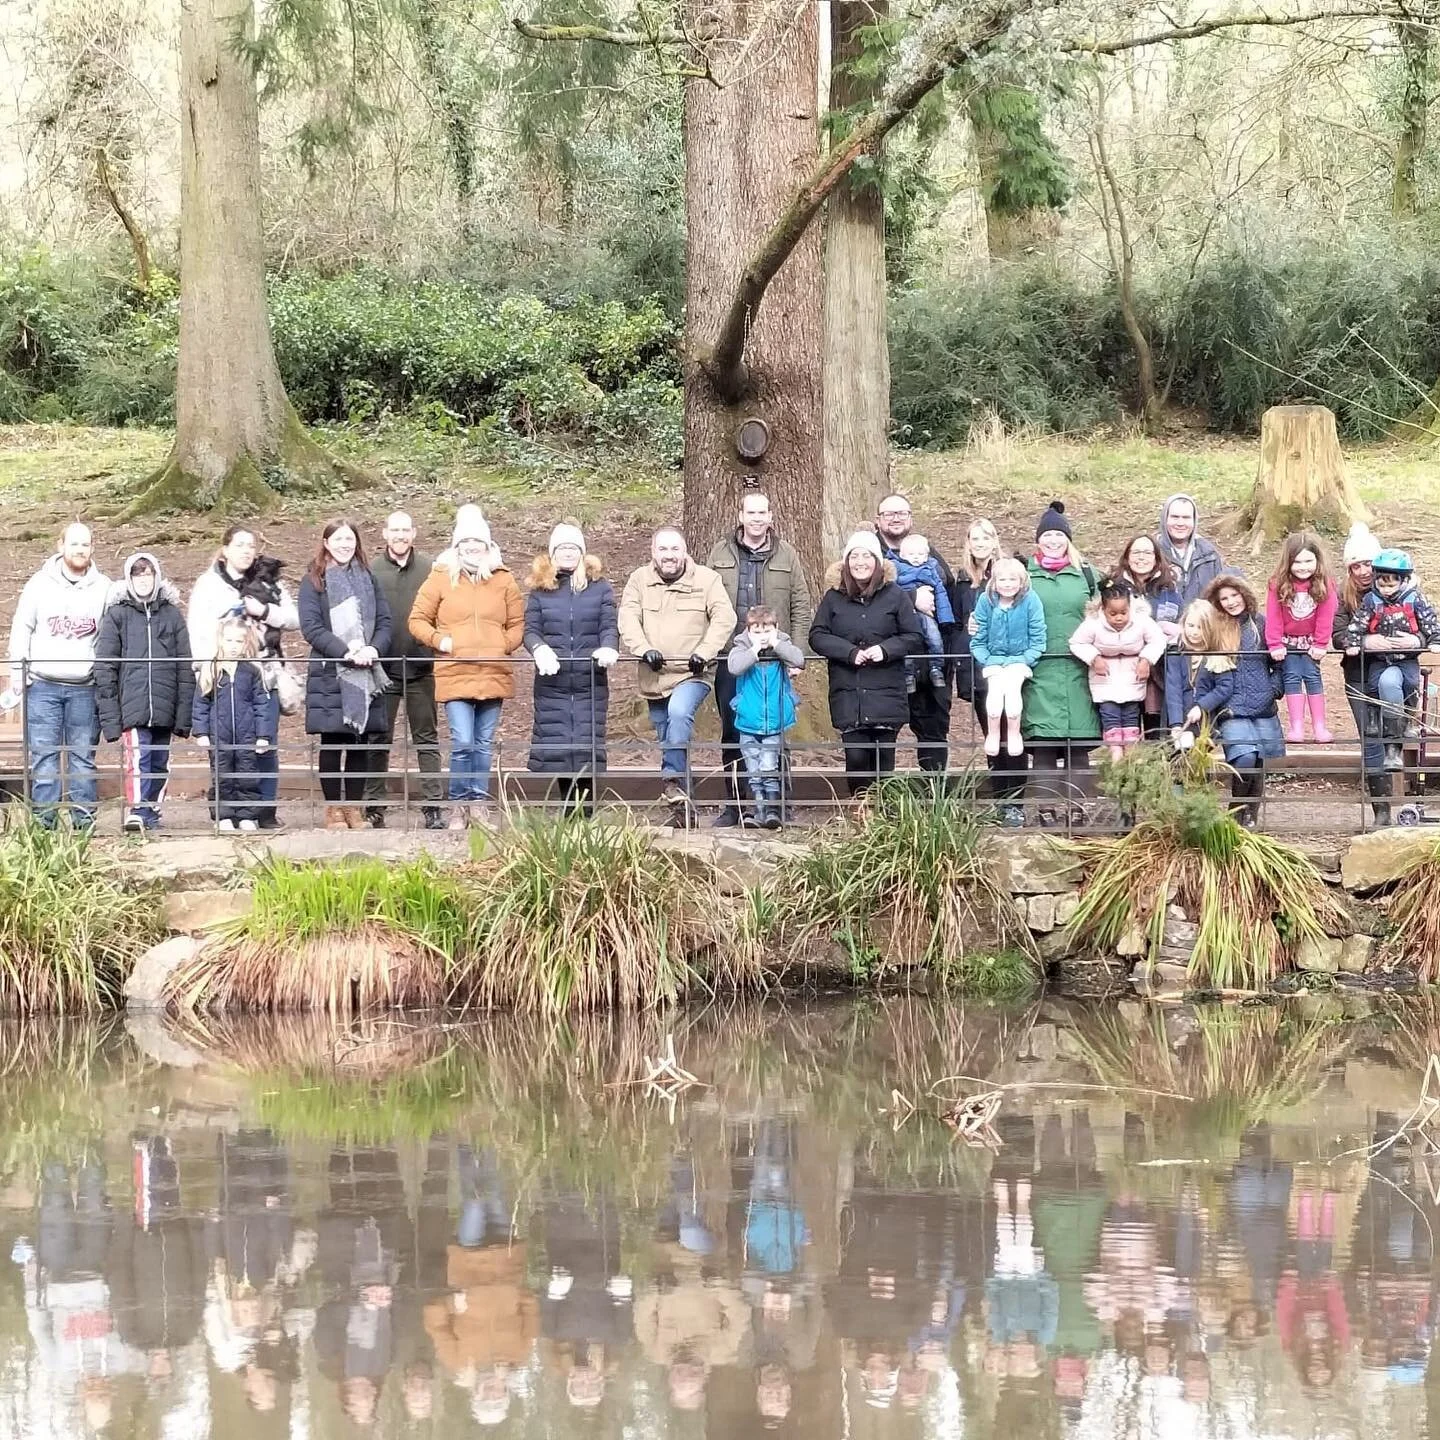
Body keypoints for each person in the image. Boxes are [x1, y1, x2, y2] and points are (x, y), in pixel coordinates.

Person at [409, 505, 525, 829]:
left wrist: (502, 645)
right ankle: (459, 804)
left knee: (484, 742)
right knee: (462, 741)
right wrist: (440, 641)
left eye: (479, 542)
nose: (473, 548)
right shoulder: (440, 577)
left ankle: (478, 802)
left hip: (492, 670)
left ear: (488, 545)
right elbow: (417, 619)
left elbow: (517, 623)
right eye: (467, 542)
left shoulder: (504, 579)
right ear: (457, 545)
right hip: (455, 671)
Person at [706, 492, 813, 827]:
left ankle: (779, 805)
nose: (756, 518)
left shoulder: (787, 554)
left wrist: (796, 654)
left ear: (770, 516)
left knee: (776, 732)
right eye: (750, 512)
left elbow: (800, 604)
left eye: (761, 512)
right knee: (733, 730)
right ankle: (736, 804)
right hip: (733, 657)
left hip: (775, 661)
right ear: (741, 515)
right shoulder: (720, 553)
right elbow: (706, 602)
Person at [618, 528, 736, 828]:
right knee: (669, 739)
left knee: (679, 713)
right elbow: (628, 619)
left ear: (684, 551)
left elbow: (725, 618)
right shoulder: (638, 581)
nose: (669, 555)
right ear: (653, 552)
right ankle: (683, 810)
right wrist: (643, 649)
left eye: (674, 549)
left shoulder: (707, 580)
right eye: (663, 549)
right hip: (654, 676)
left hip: (692, 674)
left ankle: (670, 778)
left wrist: (706, 651)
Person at [187, 526, 299, 829]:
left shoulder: (269, 579)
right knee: (226, 750)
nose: (246, 551)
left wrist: (263, 611)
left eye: (251, 545)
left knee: (264, 740)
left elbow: (293, 618)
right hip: (223, 671)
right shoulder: (209, 584)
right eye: (239, 545)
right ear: (225, 549)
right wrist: (205, 668)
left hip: (263, 671)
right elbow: (197, 627)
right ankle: (227, 811)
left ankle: (263, 811)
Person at [3, 523, 110, 828]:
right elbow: (22, 628)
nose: (80, 550)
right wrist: (17, 673)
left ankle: (83, 825)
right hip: (43, 687)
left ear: (92, 549)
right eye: (74, 544)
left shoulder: (104, 587)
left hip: (84, 689)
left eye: (86, 544)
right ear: (61, 545)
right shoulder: (39, 584)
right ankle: (44, 828)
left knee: (82, 759)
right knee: (44, 759)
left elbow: (110, 635)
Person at [808, 532, 925, 796]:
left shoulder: (895, 595)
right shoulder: (833, 597)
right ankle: (862, 812)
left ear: (877, 561)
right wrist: (849, 652)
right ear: (846, 562)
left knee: (884, 764)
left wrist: (885, 650)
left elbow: (913, 635)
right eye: (854, 556)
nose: (860, 562)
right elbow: (817, 636)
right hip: (849, 693)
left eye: (866, 556)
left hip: (886, 692)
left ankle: (884, 816)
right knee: (857, 761)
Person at [298, 520, 393, 832]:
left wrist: (373, 649)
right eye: (337, 539)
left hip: (366, 670)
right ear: (326, 542)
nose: (344, 544)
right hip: (331, 672)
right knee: (332, 741)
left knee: (359, 742)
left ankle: (353, 808)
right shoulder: (314, 580)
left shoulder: (369, 578)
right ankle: (332, 810)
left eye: (349, 539)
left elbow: (384, 621)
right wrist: (345, 651)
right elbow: (311, 627)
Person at [95, 552, 195, 832]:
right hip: (133, 705)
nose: (143, 580)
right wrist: (111, 718)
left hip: (166, 704)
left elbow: (184, 666)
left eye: (148, 574)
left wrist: (183, 714)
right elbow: (106, 667)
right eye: (137, 574)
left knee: (160, 761)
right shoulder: (117, 615)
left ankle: (152, 809)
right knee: (139, 759)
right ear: (129, 578)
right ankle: (137, 809)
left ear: (156, 576)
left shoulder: (172, 615)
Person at [524, 521, 619, 816]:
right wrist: (539, 649)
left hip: (590, 680)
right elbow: (530, 629)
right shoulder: (540, 591)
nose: (568, 553)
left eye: (573, 548)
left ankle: (587, 809)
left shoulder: (599, 587)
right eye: (562, 548)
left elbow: (608, 624)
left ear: (582, 552)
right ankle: (568, 807)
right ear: (553, 553)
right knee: (559, 743)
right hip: (553, 681)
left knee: (587, 742)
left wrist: (608, 646)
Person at [364, 511, 444, 831]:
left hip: (421, 668)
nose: (400, 535)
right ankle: (373, 805)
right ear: (384, 533)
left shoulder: (431, 569)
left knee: (427, 739)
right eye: (394, 530)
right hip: (382, 670)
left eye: (405, 530)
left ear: (414, 532)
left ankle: (433, 806)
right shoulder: (372, 569)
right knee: (378, 738)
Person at [1023, 502, 1101, 826]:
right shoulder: (1024, 574)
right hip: (1039, 670)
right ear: (1038, 540)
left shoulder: (1088, 574)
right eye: (1047, 535)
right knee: (1043, 744)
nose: (1053, 540)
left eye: (1059, 534)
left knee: (1078, 746)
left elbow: (1110, 610)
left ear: (1068, 539)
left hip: (1079, 670)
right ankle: (1045, 811)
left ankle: (1078, 810)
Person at [875, 493, 955, 774]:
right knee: (883, 733)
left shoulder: (930, 555)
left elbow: (949, 598)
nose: (896, 518)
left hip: (931, 659)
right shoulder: (870, 556)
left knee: (933, 731)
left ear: (910, 518)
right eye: (889, 513)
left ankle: (934, 798)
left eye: (902, 513)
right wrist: (912, 598)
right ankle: (880, 802)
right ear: (879, 519)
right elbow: (867, 600)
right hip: (889, 662)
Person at [1342, 548, 1440, 771]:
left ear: (1403, 581)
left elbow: (1429, 620)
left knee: (1412, 685)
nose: (1385, 590)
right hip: (1381, 659)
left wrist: (1431, 640)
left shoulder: (1415, 599)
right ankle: (1391, 747)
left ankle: (1408, 720)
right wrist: (1356, 643)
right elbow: (1358, 623)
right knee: (1378, 687)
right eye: (1381, 585)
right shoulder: (1371, 600)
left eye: (1390, 585)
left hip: (1407, 659)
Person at [955, 519, 1028, 814]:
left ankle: (1016, 802)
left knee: (1013, 733)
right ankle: (1002, 800)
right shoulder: (962, 580)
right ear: (968, 542)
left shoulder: (1009, 573)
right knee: (992, 738)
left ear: (995, 540)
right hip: (979, 668)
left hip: (1011, 666)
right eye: (975, 538)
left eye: (986, 537)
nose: (981, 543)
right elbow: (955, 623)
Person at [1200, 576, 1286, 826]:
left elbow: (1278, 662)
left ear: (1244, 594)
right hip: (1231, 707)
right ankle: (1236, 811)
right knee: (1244, 758)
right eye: (1224, 598)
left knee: (1259, 760)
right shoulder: (1215, 627)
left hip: (1263, 705)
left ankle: (1250, 815)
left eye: (1234, 595)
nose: (1230, 602)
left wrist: (1274, 689)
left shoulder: (1260, 624)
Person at [192, 617, 277, 832]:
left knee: (247, 776)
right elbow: (200, 703)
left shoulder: (251, 671)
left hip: (246, 735)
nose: (233, 646)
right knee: (222, 776)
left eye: (238, 642)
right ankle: (224, 816)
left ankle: (247, 815)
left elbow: (261, 705)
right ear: (220, 641)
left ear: (245, 644)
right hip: (219, 735)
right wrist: (201, 732)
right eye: (229, 641)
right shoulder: (211, 670)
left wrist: (263, 735)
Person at [1069, 580, 1167, 762]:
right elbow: (1076, 643)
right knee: (1110, 716)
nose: (1119, 618)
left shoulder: (1142, 621)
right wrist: (1094, 658)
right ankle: (1115, 757)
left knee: (1131, 718)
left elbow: (1158, 640)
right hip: (1105, 681)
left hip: (1133, 679)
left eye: (1123, 613)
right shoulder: (1093, 624)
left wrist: (1146, 659)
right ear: (1103, 610)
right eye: (1112, 614)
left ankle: (1131, 761)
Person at [725, 604, 805, 828]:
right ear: (748, 631)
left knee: (769, 765)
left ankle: (772, 809)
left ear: (776, 628)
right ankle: (758, 809)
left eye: (766, 631)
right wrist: (754, 650)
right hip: (748, 721)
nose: (762, 637)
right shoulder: (741, 648)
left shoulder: (782, 645)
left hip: (774, 721)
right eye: (756, 632)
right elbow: (734, 667)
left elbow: (799, 660)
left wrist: (776, 644)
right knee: (753, 768)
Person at [1333, 524, 1390, 824]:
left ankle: (1399, 802)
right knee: (1370, 738)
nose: (1364, 571)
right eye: (1357, 565)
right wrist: (1366, 640)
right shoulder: (1344, 597)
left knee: (1390, 732)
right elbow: (1338, 634)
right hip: (1358, 676)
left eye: (1368, 563)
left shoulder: (1398, 589)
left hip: (1391, 671)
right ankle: (1380, 810)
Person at [970, 557, 1046, 767]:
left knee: (1012, 697)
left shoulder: (1031, 600)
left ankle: (1015, 733)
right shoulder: (986, 601)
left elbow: (1038, 636)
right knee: (994, 699)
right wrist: (986, 658)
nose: (1008, 584)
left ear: (1022, 581)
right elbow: (978, 635)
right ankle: (992, 734)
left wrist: (1026, 658)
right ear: (994, 581)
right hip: (994, 661)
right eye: (1002, 580)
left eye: (1013, 579)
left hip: (1019, 661)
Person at [1265, 531, 1338, 744]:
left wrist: (1321, 642)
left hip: (1311, 642)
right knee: (1291, 677)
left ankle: (1319, 727)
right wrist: (1275, 643)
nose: (1303, 566)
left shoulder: (1325, 584)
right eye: (1297, 562)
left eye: (1308, 561)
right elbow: (1273, 616)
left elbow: (1326, 616)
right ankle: (1296, 727)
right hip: (1287, 642)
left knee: (1312, 677)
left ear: (1317, 560)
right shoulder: (1277, 584)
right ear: (1288, 562)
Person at [1110, 534, 1183, 736]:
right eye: (1136, 552)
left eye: (1147, 552)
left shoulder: (1169, 588)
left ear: (1156, 557)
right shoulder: (1112, 586)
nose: (1141, 557)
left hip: (1161, 669)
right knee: (1126, 730)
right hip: (1124, 667)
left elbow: (1180, 621)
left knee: (1157, 729)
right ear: (1127, 556)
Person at [894, 533, 954, 691]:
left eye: (920, 554)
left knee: (934, 637)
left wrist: (945, 617)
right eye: (911, 554)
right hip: (904, 615)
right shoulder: (894, 568)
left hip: (928, 613)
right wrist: (912, 597)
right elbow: (890, 592)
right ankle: (908, 674)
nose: (916, 558)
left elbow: (941, 592)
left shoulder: (932, 569)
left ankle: (936, 667)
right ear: (902, 554)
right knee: (907, 642)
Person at [1158, 495, 1229, 605]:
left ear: (1194, 521)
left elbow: (1221, 595)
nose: (1180, 523)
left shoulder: (1209, 554)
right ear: (1165, 519)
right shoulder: (1151, 553)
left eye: (1186, 518)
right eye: (1175, 517)